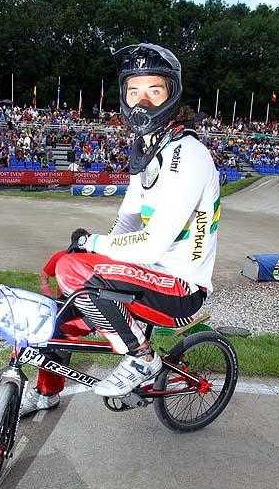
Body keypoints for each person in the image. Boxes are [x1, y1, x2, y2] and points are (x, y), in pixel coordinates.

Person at [20, 42, 220, 415]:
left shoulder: (187, 153)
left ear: (172, 95)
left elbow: (151, 244)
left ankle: (141, 357)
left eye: (154, 91)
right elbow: (127, 221)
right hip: (146, 275)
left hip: (180, 286)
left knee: (73, 270)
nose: (142, 102)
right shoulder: (150, 148)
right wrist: (92, 249)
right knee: (56, 314)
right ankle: (46, 393)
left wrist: (92, 244)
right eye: (134, 91)